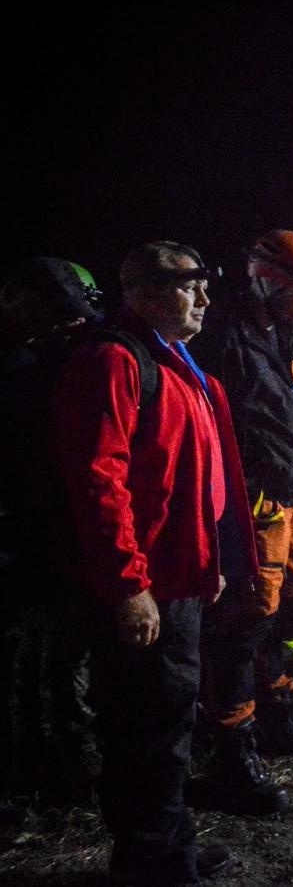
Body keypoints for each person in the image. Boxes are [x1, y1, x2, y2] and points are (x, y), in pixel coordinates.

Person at [52, 241, 258, 883]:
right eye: (186, 285)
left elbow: (195, 479)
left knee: (170, 720)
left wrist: (213, 562)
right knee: (144, 727)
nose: (203, 298)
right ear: (139, 293)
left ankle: (168, 844)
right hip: (148, 587)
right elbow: (97, 481)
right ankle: (151, 861)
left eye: (204, 285)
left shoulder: (177, 365)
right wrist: (128, 586)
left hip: (181, 580)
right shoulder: (116, 361)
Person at [195, 230, 293, 808]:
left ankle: (276, 716)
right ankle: (233, 754)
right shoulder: (229, 341)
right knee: (242, 624)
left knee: (283, 612)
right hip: (251, 507)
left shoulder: (280, 336)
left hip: (288, 501)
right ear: (265, 283)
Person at [1, 257, 106, 802]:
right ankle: (72, 770)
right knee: (58, 657)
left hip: (42, 534)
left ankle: (43, 765)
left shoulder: (42, 363)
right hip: (41, 537)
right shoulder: (27, 371)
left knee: (45, 656)